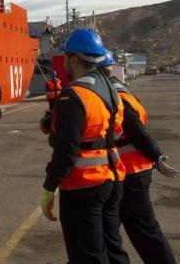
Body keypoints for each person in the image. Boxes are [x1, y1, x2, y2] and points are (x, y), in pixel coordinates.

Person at [41, 28, 129, 264]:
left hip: (84, 185)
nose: (64, 63)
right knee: (112, 248)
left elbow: (66, 150)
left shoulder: (73, 95)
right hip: (113, 179)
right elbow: (116, 130)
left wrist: (50, 187)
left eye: (66, 57)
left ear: (75, 59)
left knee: (86, 256)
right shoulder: (110, 90)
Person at [99, 51, 178, 263]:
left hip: (130, 173)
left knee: (144, 233)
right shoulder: (120, 89)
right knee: (108, 234)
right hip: (128, 172)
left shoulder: (114, 97)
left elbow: (136, 130)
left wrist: (157, 155)